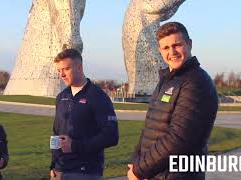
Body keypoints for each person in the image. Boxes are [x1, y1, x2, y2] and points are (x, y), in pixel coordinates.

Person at [127, 22, 218, 180]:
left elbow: (178, 138)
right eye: (166, 48)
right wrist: (137, 162)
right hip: (156, 173)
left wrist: (139, 170)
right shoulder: (167, 80)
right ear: (160, 51)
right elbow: (150, 128)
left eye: (177, 45)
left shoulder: (196, 82)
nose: (172, 52)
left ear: (189, 44)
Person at [50, 48, 119, 180]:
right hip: (59, 171)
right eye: (59, 70)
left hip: (85, 172)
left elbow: (112, 136)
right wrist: (53, 165)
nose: (62, 74)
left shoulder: (97, 96)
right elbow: (56, 133)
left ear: (80, 67)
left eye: (66, 69)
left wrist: (75, 146)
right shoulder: (61, 97)